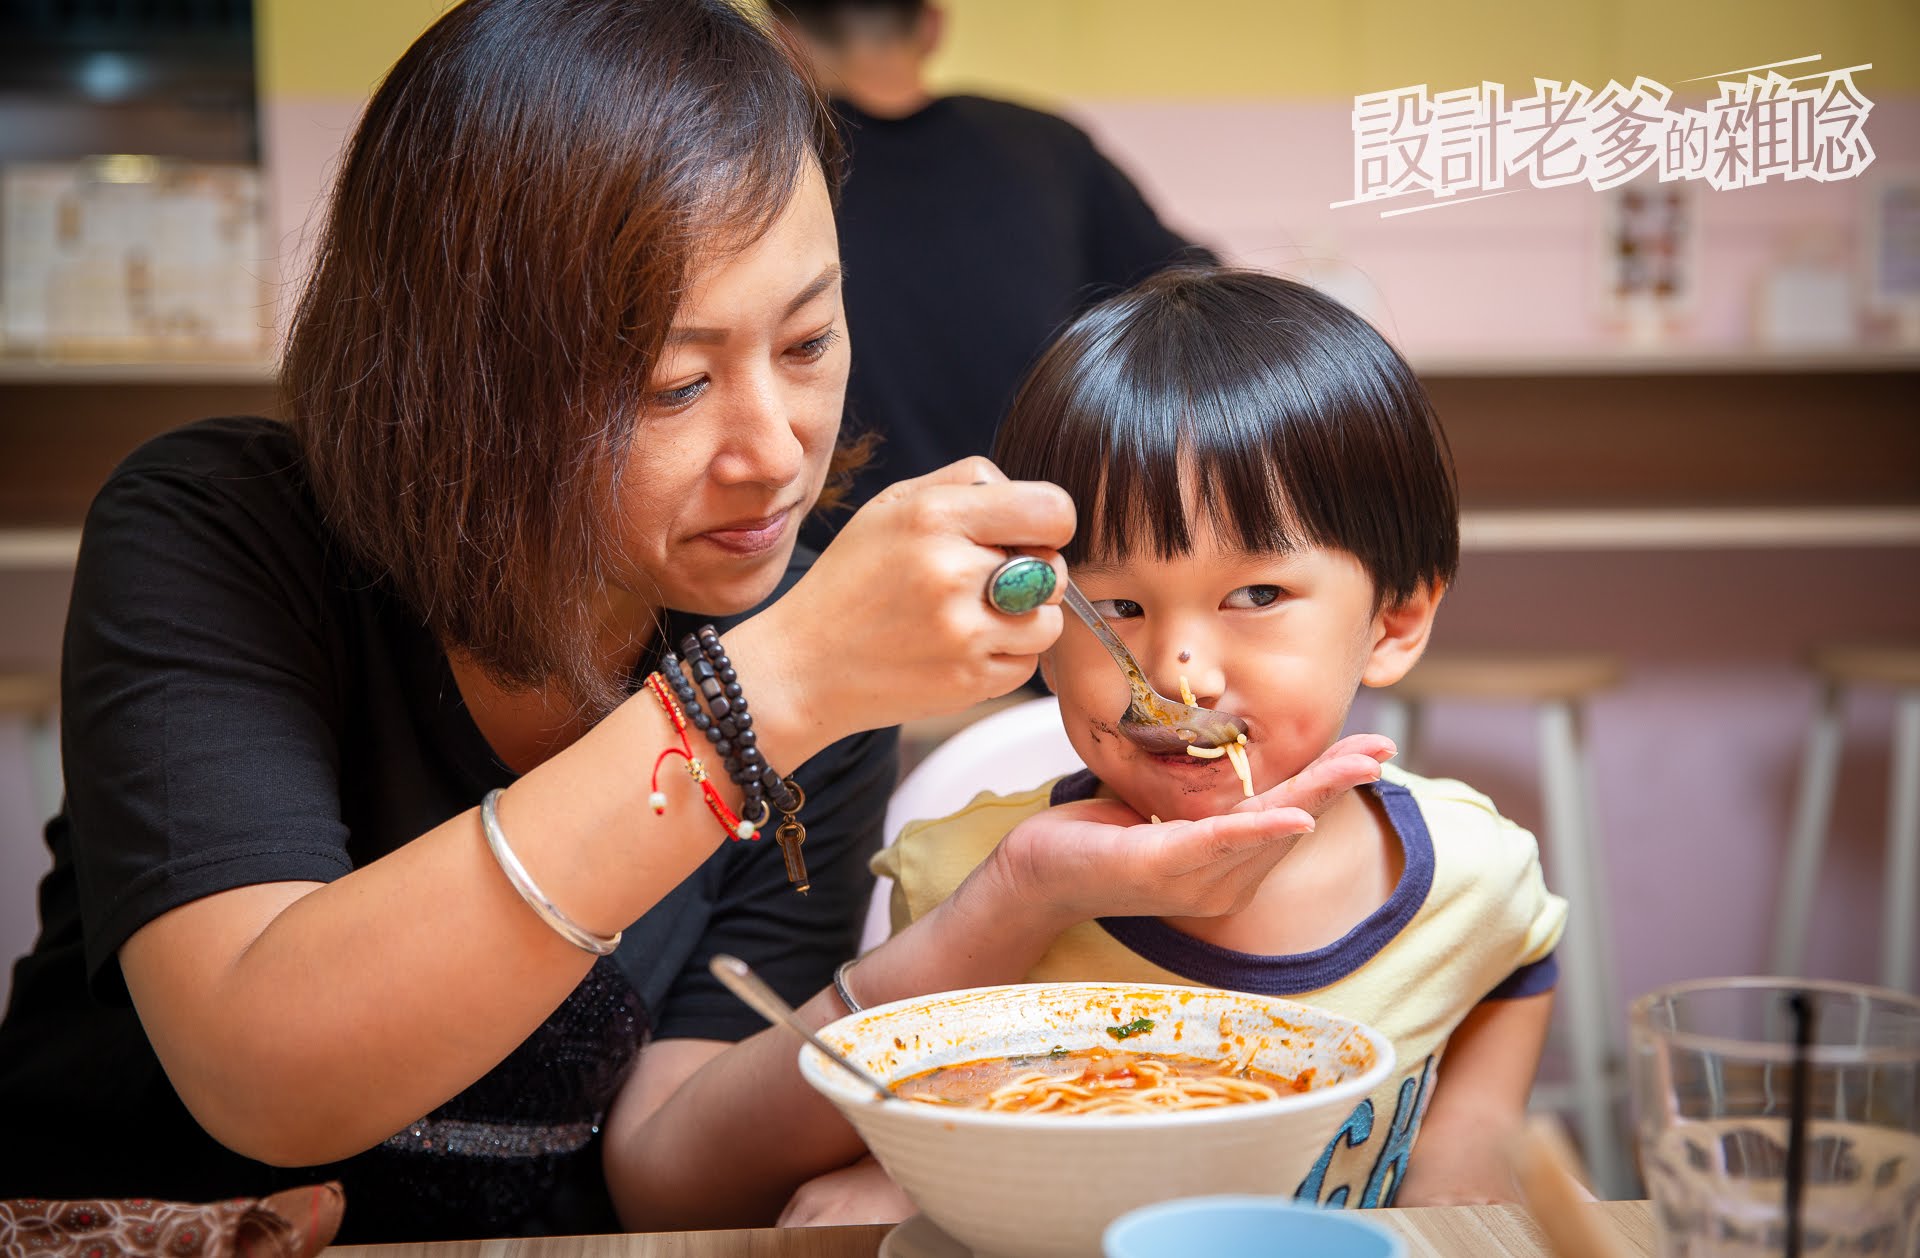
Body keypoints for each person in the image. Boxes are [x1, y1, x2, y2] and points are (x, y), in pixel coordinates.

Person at [0, 3, 1383, 1242]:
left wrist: (1014, 899)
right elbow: (268, 1069)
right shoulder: (220, 531)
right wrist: (768, 687)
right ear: (450, 372)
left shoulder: (810, 642)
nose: (776, 452)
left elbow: (669, 1162)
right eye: (671, 383)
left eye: (806, 343)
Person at [782, 268, 1568, 1224]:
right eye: (1116, 606)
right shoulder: (962, 882)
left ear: (1394, 623)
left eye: (1258, 597)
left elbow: (1512, 975)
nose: (1180, 672)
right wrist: (900, 1183)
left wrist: (1463, 1164)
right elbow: (922, 1133)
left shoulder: (1473, 874)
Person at [769, 0, 1215, 550]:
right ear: (932, 27)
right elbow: (1196, 296)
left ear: (781, 40)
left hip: (836, 553)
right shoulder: (1045, 146)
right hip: (1041, 542)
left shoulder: (773, 169)